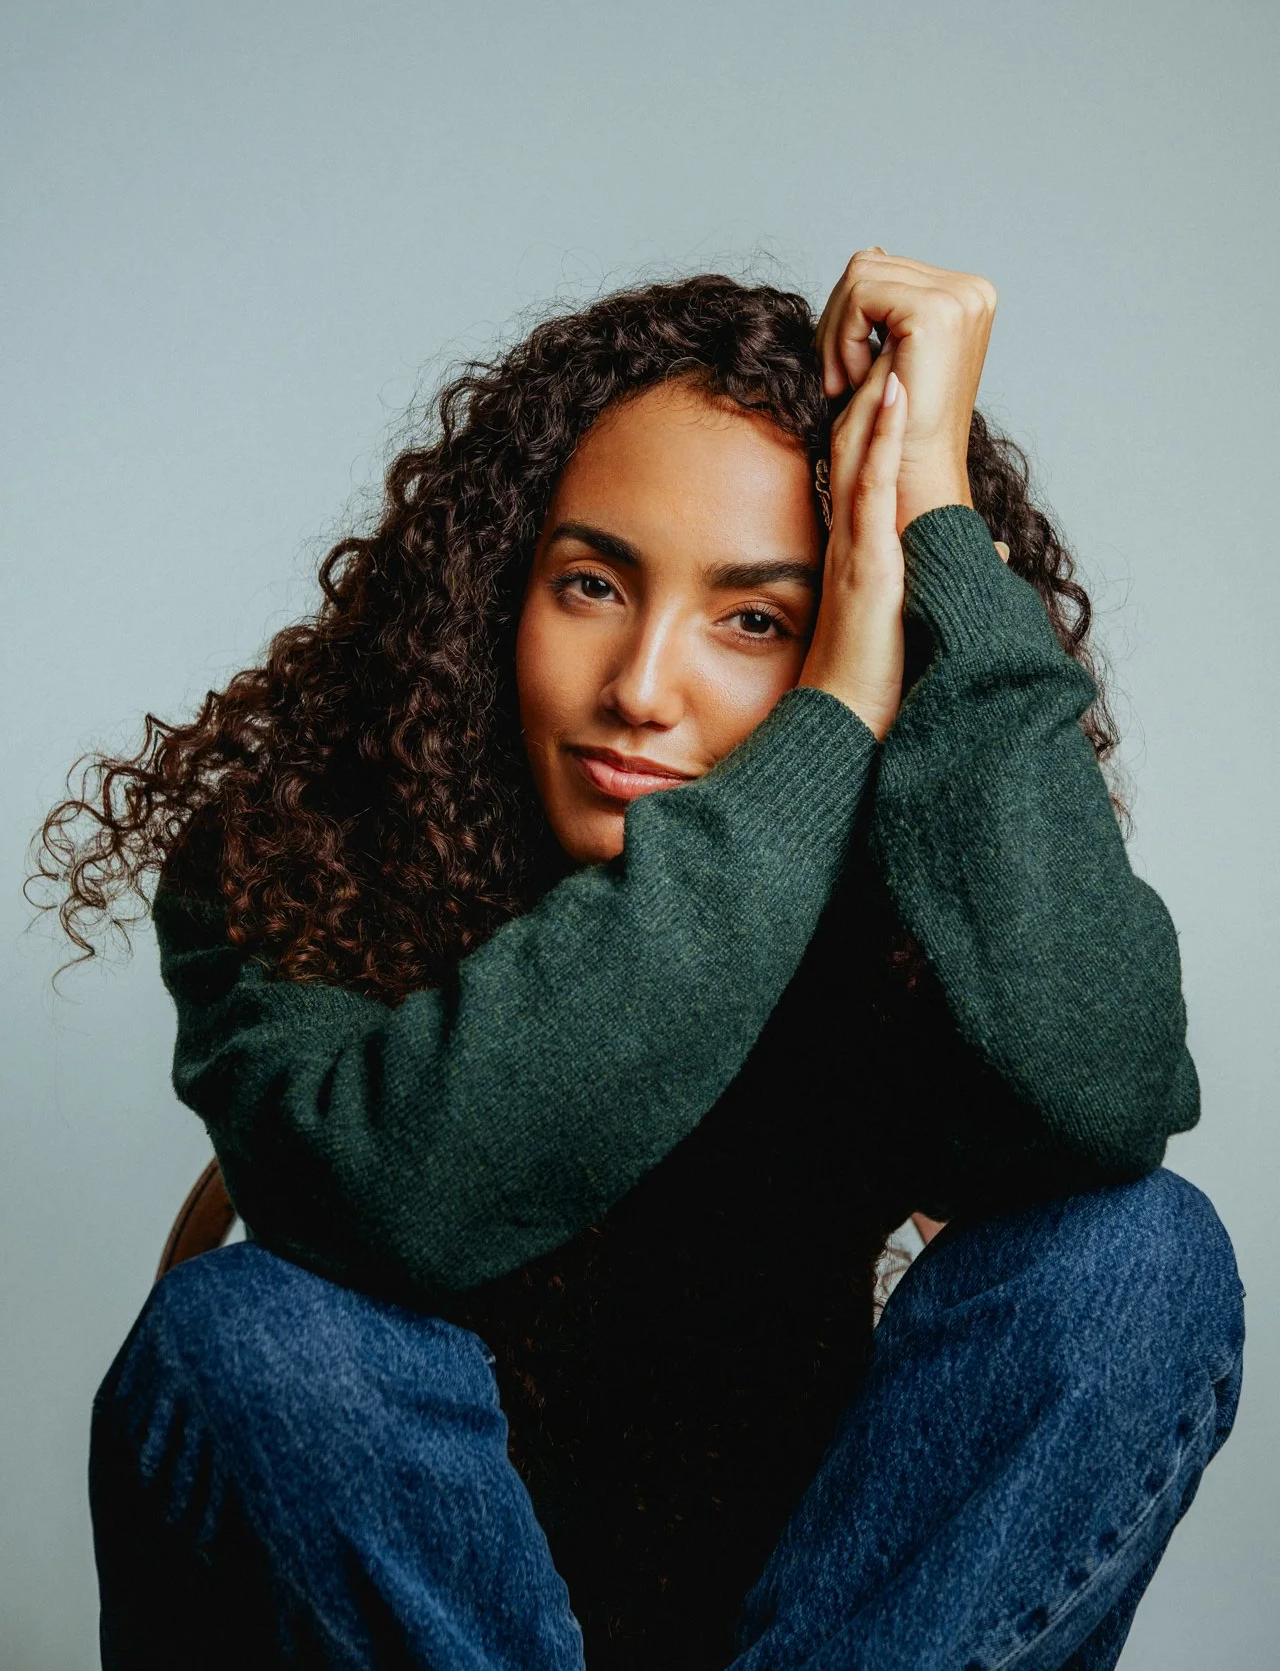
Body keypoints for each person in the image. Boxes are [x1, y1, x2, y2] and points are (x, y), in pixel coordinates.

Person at [35, 251, 1244, 1670]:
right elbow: (390, 1205)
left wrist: (936, 521)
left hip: (801, 1633)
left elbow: (1106, 1098)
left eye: (758, 620)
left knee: (1137, 1255)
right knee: (252, 1331)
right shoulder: (304, 859)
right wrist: (816, 727)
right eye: (593, 584)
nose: (642, 687)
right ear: (496, 593)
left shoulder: (886, 910)